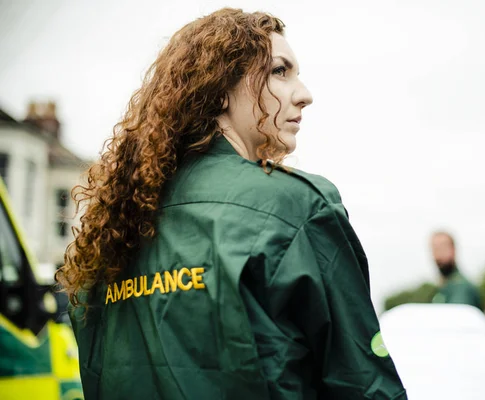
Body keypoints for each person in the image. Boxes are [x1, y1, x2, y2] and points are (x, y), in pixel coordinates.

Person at [56, 8, 407, 400]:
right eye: (279, 71)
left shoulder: (110, 234)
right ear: (220, 88)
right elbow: (363, 385)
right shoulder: (294, 206)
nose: (304, 94)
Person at [430, 230, 484, 312]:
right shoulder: (444, 286)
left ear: (453, 249)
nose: (438, 255)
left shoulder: (462, 287)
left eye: (442, 248)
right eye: (435, 249)